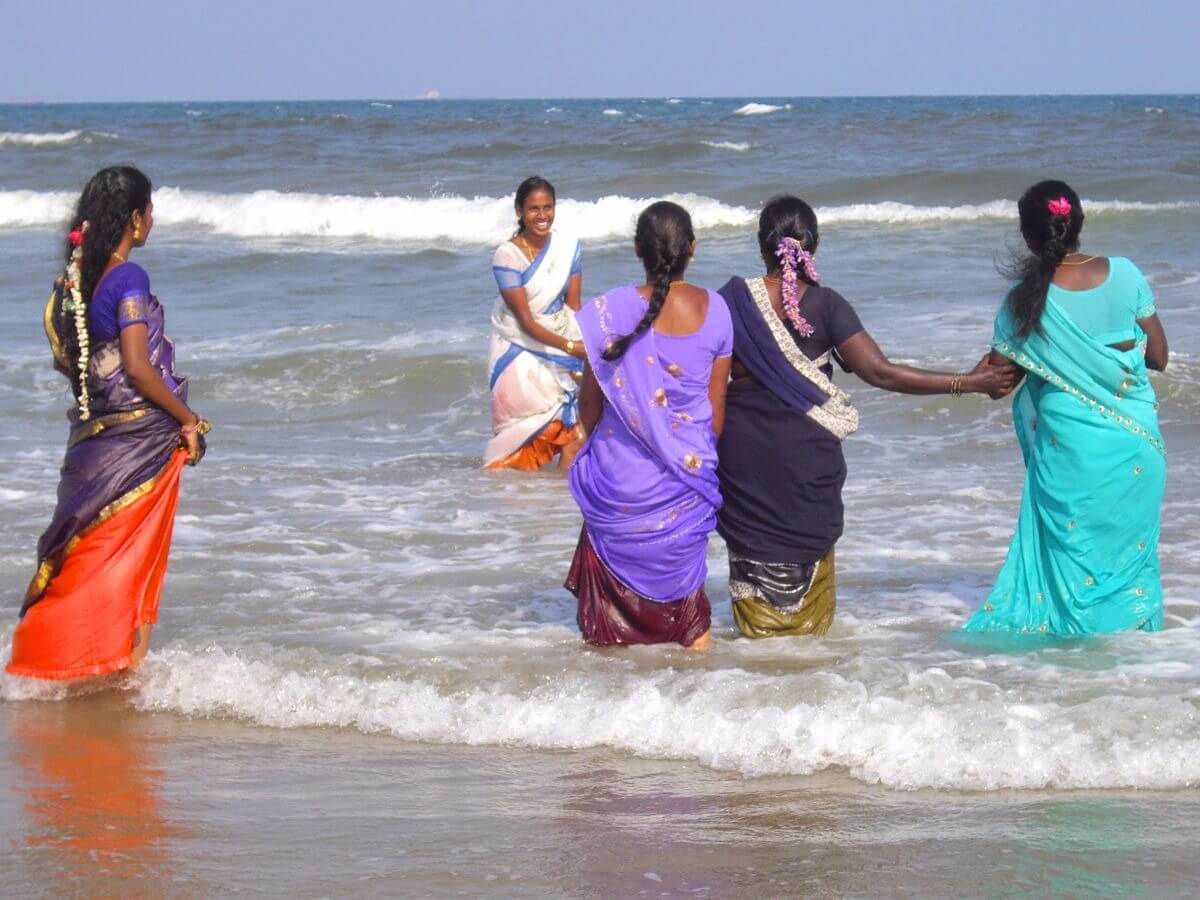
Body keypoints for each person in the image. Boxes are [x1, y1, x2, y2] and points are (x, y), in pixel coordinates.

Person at [717, 195, 1018, 639]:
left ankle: (755, 654)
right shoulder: (826, 304)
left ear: (763, 248)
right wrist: (968, 383)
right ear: (812, 246)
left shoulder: (729, 301)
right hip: (805, 466)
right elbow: (881, 372)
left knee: (752, 552)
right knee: (807, 567)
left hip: (744, 465)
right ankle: (804, 660)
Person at [6, 166, 208, 681]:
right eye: (150, 210)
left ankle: (48, 668)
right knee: (128, 566)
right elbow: (139, 368)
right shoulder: (129, 277)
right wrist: (191, 420)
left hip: (93, 448)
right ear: (135, 219)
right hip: (137, 449)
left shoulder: (80, 284)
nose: (153, 220)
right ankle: (115, 675)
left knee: (84, 567)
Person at [964, 180, 1168, 635]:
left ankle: (1069, 676)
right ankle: (1142, 674)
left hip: (1071, 455)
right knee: (1130, 571)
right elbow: (1158, 355)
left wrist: (1012, 363)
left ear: (1028, 236)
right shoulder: (1128, 274)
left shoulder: (1023, 301)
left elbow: (997, 383)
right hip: (1136, 447)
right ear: (1078, 224)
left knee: (1074, 574)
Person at [566, 201, 732, 649]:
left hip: (618, 486)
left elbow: (590, 407)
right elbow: (716, 411)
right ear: (692, 249)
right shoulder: (717, 310)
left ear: (638, 248)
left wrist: (593, 450)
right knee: (691, 627)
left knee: (604, 641)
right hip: (686, 483)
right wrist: (689, 464)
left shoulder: (608, 313)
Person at [485, 176, 587, 470]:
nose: (542, 216)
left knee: (574, 436)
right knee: (523, 443)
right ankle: (516, 509)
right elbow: (526, 321)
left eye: (548, 207)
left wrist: (587, 347)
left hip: (559, 349)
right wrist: (571, 347)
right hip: (519, 353)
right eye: (534, 209)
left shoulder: (568, 248)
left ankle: (559, 504)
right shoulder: (507, 255)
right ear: (519, 211)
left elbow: (574, 307)